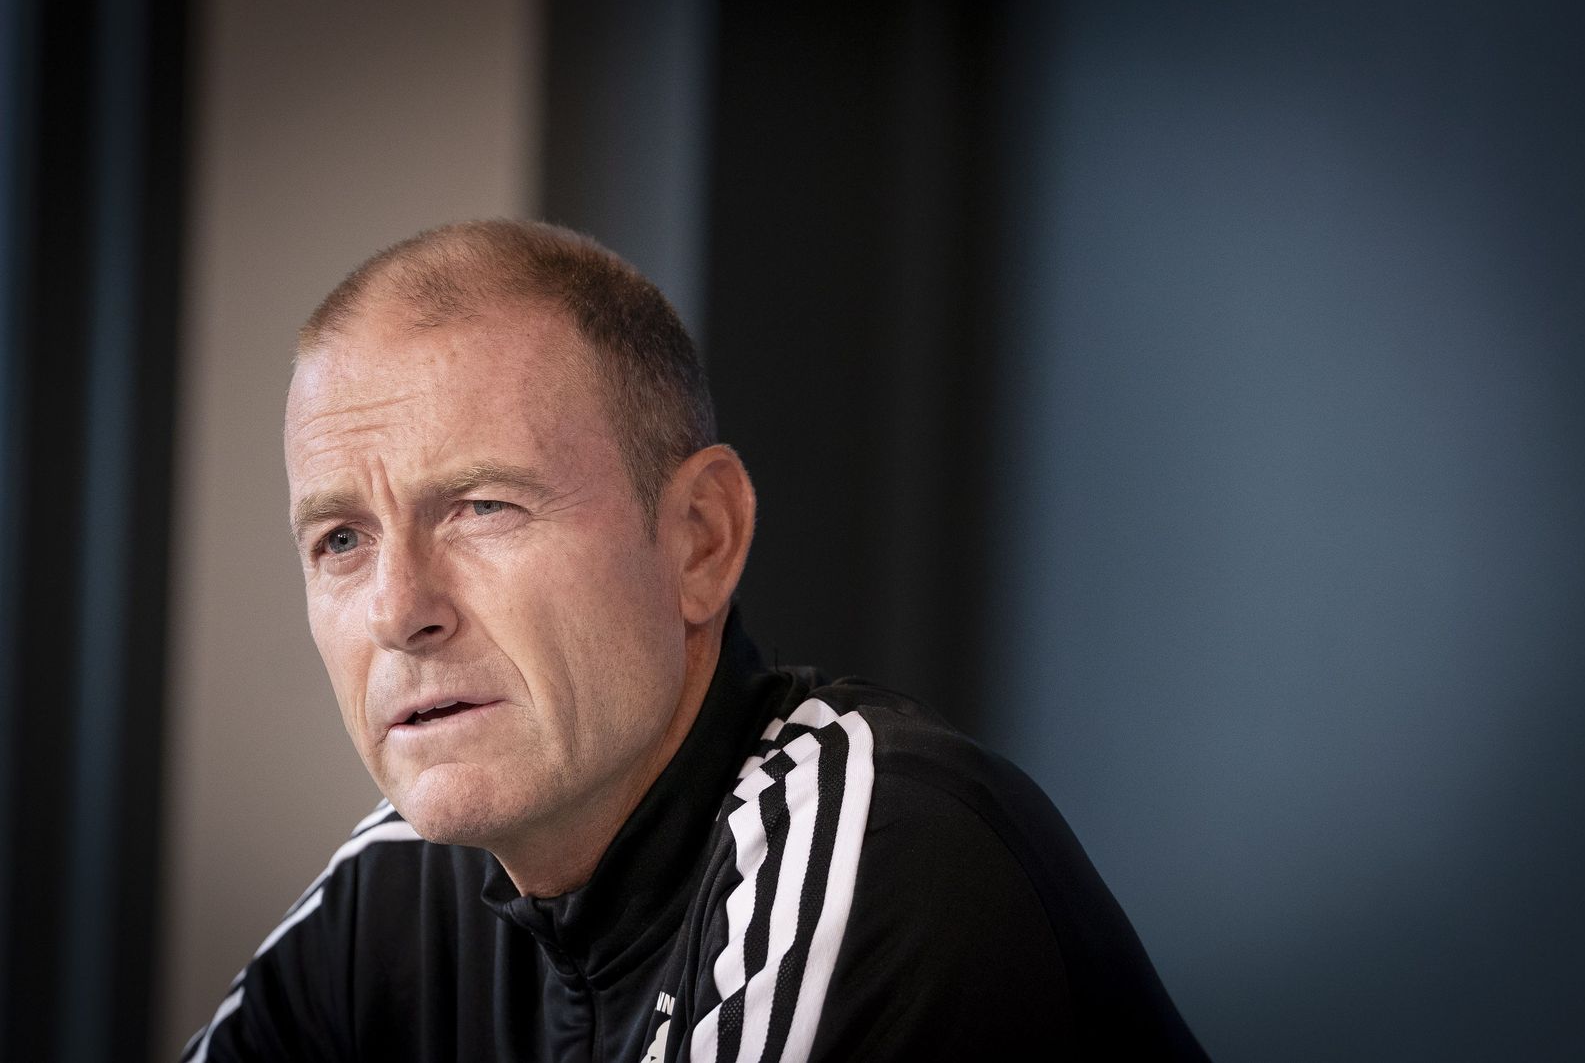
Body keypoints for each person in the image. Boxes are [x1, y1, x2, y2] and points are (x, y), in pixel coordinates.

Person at [183, 219, 1207, 1061]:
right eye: (341, 539)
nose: (399, 608)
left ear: (699, 540)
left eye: (483, 505)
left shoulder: (879, 852)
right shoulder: (398, 888)